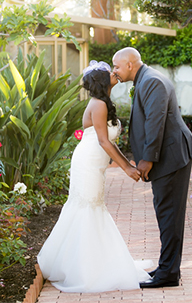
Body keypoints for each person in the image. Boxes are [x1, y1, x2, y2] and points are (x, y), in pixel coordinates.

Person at [37, 60, 152, 292]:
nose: (114, 73)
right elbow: (102, 141)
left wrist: (127, 163)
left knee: (92, 208)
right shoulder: (98, 104)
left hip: (95, 162)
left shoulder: (103, 103)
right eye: (110, 72)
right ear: (101, 81)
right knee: (88, 208)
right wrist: (127, 169)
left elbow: (108, 142)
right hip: (87, 162)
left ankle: (92, 262)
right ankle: (84, 269)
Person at [112, 47, 192, 289]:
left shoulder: (152, 81)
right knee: (166, 214)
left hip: (170, 158)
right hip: (169, 157)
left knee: (169, 215)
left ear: (130, 64)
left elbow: (155, 121)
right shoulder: (147, 79)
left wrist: (146, 159)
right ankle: (167, 268)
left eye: (117, 66)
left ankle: (168, 274)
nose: (115, 71)